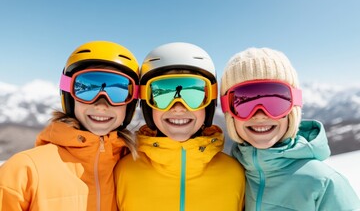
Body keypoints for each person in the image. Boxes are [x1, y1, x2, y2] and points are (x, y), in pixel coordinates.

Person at [0, 41, 140, 211]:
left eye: (118, 92)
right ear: (68, 96)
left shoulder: (134, 168)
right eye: (87, 89)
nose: (102, 104)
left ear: (131, 103)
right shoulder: (24, 170)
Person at [220, 47, 360, 210]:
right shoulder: (228, 177)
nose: (259, 115)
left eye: (275, 101)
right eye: (243, 102)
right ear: (229, 114)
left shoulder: (323, 184)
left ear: (293, 110)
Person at [114, 42, 245, 211]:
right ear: (147, 105)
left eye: (193, 95)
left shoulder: (234, 174)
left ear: (209, 104)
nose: (178, 107)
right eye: (162, 94)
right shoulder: (124, 171)